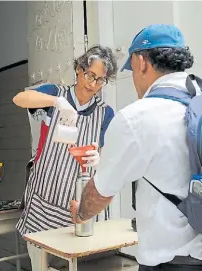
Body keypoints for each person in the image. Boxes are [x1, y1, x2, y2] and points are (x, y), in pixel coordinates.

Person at [70, 24, 202, 270]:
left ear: (141, 62)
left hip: (171, 262)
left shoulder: (135, 117)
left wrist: (81, 215)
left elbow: (100, 193)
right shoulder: (198, 101)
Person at [13, 45, 117, 269]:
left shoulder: (105, 113)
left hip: (79, 206)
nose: (93, 84)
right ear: (79, 69)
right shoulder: (54, 93)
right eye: (90, 75)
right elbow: (19, 99)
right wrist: (55, 103)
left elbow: (108, 158)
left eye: (101, 80)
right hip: (44, 200)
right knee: (41, 264)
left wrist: (98, 161)